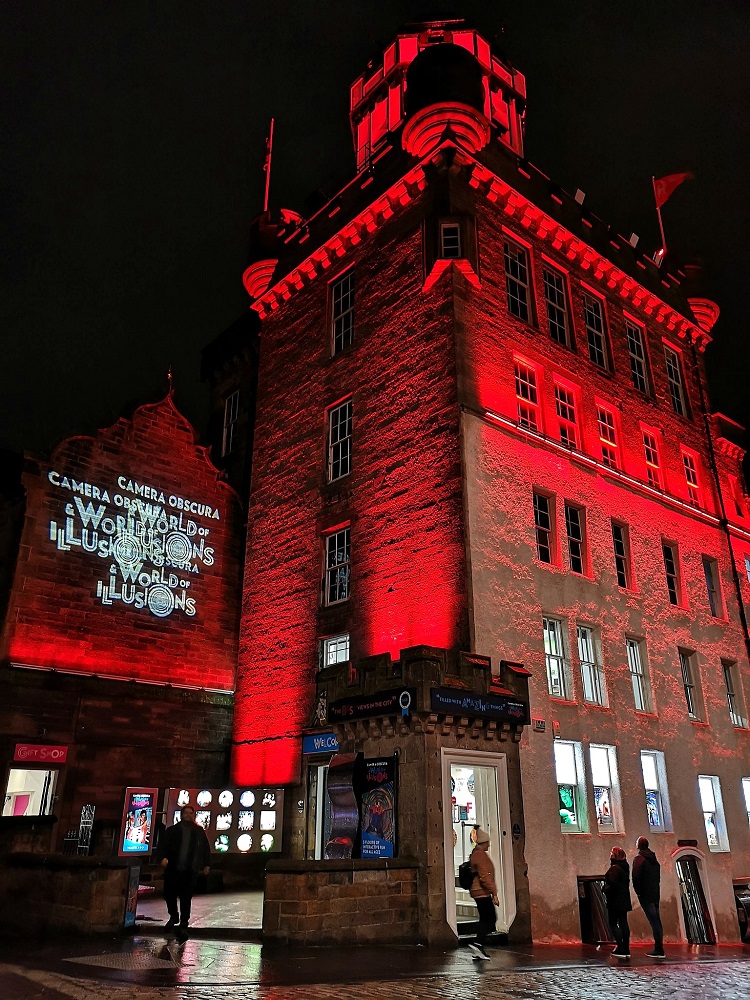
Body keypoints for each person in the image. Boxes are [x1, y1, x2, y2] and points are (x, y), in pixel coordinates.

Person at [156, 805, 211, 938]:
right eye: (185, 813)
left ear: (194, 815)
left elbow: (205, 849)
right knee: (169, 895)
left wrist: (207, 864)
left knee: (186, 898)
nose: (188, 815)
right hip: (173, 869)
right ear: (181, 815)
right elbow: (162, 846)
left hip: (190, 870)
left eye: (190, 813)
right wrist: (162, 858)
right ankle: (174, 916)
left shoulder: (199, 831)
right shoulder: (172, 830)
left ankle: (183, 924)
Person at [467, 827, 499, 961]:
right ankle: (477, 943)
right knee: (490, 919)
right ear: (484, 842)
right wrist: (494, 893)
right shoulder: (480, 855)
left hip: (478, 891)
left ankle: (478, 948)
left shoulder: (476, 854)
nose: (489, 844)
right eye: (488, 842)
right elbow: (485, 876)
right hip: (482, 892)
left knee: (485, 918)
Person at [632, 836, 665, 958]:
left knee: (654, 921)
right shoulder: (654, 860)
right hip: (654, 894)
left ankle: (659, 949)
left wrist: (639, 892)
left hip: (645, 895)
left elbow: (636, 877)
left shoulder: (639, 859)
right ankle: (659, 946)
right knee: (657, 920)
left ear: (639, 845)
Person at [603, 846, 632, 958]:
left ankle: (621, 947)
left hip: (615, 900)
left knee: (613, 923)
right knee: (623, 922)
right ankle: (626, 947)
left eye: (611, 852)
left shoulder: (614, 868)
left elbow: (612, 885)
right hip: (624, 899)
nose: (610, 854)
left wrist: (605, 889)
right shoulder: (625, 867)